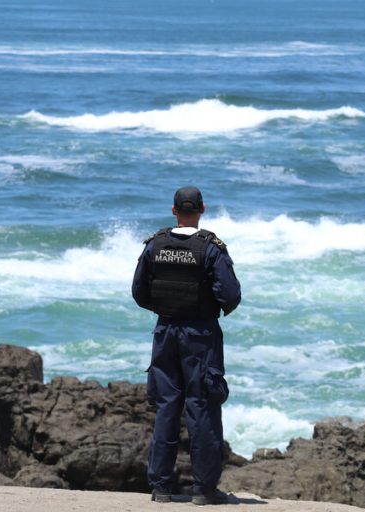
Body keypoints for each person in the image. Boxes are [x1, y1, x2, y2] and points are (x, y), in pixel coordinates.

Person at [132, 186, 241, 506]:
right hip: (200, 336)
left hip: (165, 332)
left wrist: (168, 309)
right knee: (202, 406)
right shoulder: (211, 247)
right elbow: (230, 296)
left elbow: (139, 293)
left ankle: (161, 488)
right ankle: (203, 490)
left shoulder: (155, 245)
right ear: (202, 209)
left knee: (167, 407)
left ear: (174, 210)